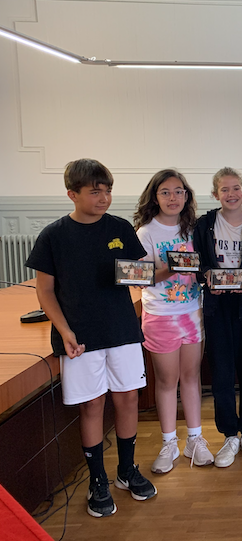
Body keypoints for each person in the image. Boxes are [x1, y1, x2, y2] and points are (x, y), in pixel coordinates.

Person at [26, 159, 157, 517]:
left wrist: (165, 270)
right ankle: (97, 480)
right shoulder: (53, 235)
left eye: (108, 191)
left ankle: (127, 470)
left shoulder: (120, 228)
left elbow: (139, 274)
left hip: (122, 330)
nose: (104, 198)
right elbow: (45, 291)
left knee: (128, 398)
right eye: (95, 192)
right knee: (92, 405)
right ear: (72, 194)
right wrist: (65, 330)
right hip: (79, 335)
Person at [133, 170, 213, 474]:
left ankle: (195, 439)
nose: (173, 197)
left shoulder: (194, 229)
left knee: (191, 377)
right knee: (167, 381)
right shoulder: (146, 233)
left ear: (186, 196)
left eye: (179, 191)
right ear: (155, 197)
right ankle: (169, 443)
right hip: (160, 315)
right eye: (165, 192)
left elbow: (203, 267)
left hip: (192, 312)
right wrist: (172, 267)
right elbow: (141, 278)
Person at [193, 167, 242, 468]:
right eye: (224, 189)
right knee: (221, 371)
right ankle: (229, 435)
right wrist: (206, 276)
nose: (231, 194)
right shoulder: (204, 224)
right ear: (215, 194)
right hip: (216, 306)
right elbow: (197, 264)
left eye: (236, 188)